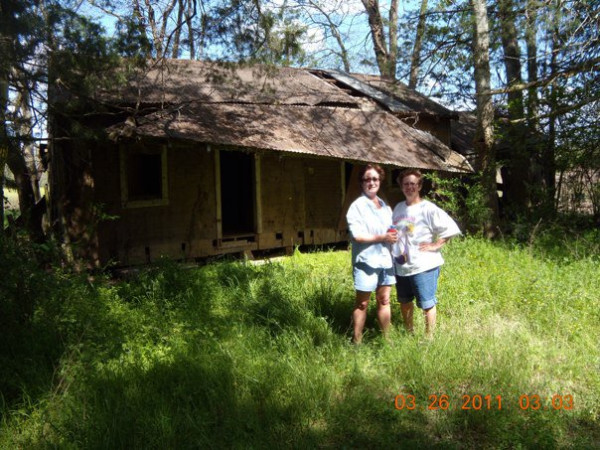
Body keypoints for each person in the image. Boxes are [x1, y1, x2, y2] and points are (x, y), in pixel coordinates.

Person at [392, 169, 461, 335]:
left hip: (423, 266)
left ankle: (429, 338)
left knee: (426, 303)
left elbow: (449, 227)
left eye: (413, 184)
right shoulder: (399, 208)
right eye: (406, 184)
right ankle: (410, 333)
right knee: (404, 301)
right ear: (401, 187)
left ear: (419, 186)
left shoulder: (428, 208)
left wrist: (435, 245)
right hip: (402, 266)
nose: (409, 187)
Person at [346, 164, 398, 344]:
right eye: (367, 179)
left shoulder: (384, 206)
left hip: (386, 261)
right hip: (366, 262)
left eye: (375, 179)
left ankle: (387, 339)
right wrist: (383, 236)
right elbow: (358, 236)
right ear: (361, 182)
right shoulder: (357, 206)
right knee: (363, 303)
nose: (371, 182)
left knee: (384, 300)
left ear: (380, 181)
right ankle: (357, 340)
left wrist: (395, 235)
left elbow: (391, 230)